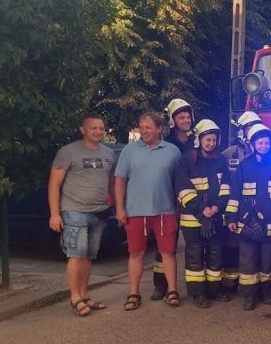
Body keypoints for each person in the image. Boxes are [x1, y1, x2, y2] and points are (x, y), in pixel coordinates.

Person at [47, 113, 116, 317]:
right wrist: (54, 214)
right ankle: (75, 297)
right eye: (93, 128)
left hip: (99, 212)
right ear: (83, 130)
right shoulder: (68, 152)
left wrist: (118, 205)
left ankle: (84, 295)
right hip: (74, 210)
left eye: (101, 128)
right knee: (76, 254)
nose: (98, 132)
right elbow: (54, 184)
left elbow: (111, 184)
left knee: (88, 256)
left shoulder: (109, 154)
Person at [114, 112, 182, 310]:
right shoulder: (129, 151)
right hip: (136, 212)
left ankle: (172, 291)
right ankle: (133, 293)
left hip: (165, 211)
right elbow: (120, 181)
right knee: (136, 253)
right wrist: (119, 208)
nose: (144, 131)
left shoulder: (173, 151)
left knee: (168, 253)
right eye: (141, 127)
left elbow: (180, 182)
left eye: (148, 127)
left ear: (159, 128)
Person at [226, 124, 271, 310]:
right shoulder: (243, 166)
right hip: (247, 222)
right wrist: (231, 218)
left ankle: (266, 293)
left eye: (266, 143)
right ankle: (249, 296)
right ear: (253, 143)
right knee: (247, 261)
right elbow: (235, 194)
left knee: (266, 260)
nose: (264, 146)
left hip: (270, 223)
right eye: (260, 143)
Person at [175, 119, 230, 308]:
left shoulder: (220, 160)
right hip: (192, 219)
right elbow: (183, 189)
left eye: (214, 140)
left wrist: (216, 208)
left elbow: (226, 187)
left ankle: (214, 289)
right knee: (194, 254)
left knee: (216, 253)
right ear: (199, 140)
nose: (211, 144)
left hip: (215, 216)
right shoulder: (186, 160)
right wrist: (202, 210)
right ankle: (197, 293)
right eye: (208, 140)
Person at [151, 98, 196, 301]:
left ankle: (195, 286)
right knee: (165, 245)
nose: (186, 120)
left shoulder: (199, 139)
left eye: (188, 117)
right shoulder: (166, 144)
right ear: (173, 120)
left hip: (193, 201)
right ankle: (160, 286)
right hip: (170, 201)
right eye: (181, 117)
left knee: (194, 245)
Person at [219, 110, 263, 296]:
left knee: (257, 249)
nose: (251, 131)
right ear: (242, 131)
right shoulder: (229, 154)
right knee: (231, 246)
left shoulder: (266, 151)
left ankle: (256, 286)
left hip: (257, 210)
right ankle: (229, 284)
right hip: (234, 207)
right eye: (248, 128)